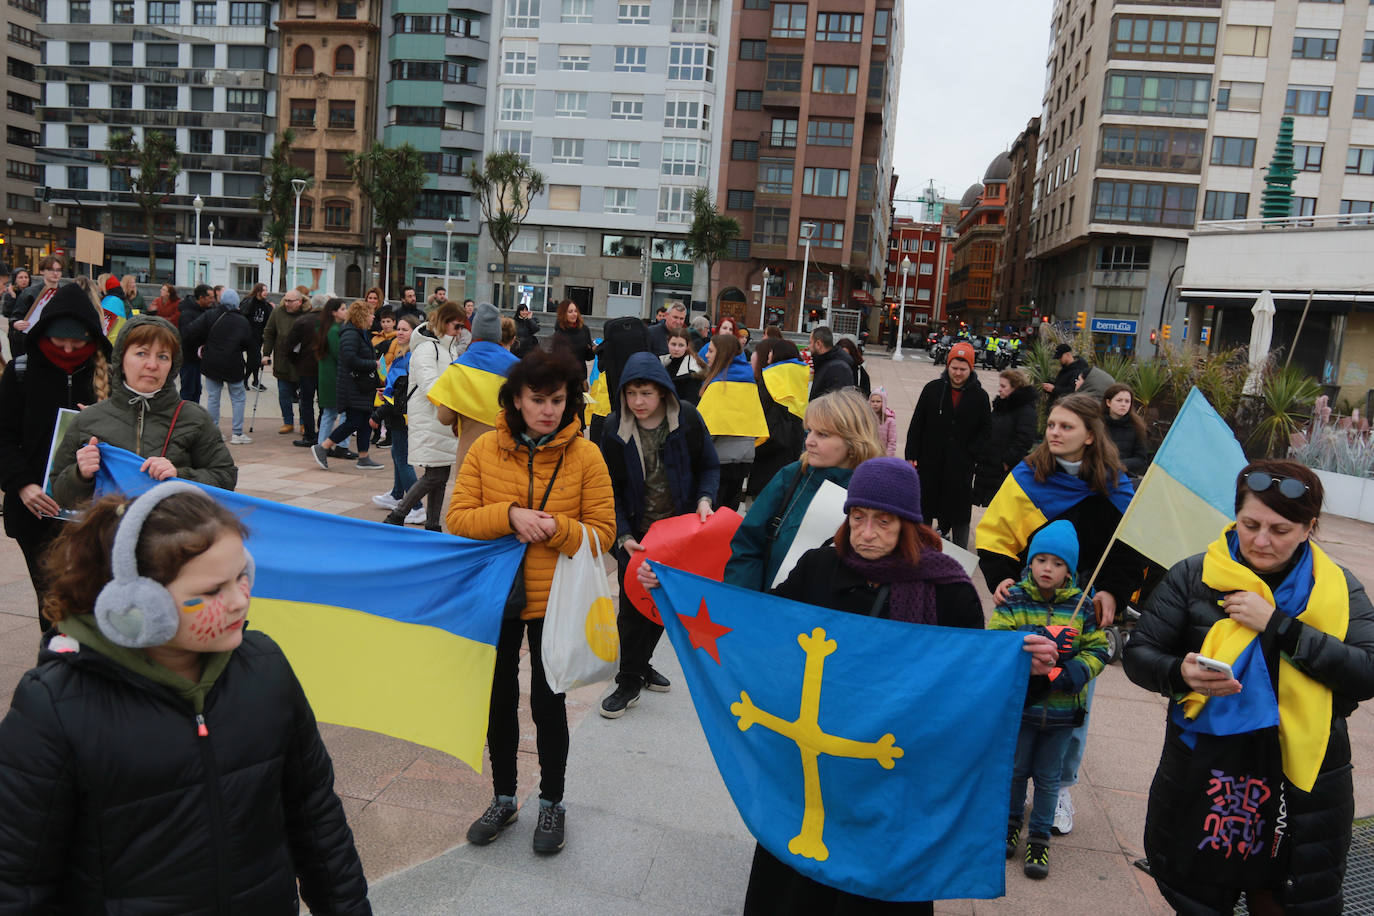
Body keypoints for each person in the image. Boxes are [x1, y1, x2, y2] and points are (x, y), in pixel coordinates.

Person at [0, 482, 372, 913]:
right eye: (213, 591)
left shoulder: (265, 666)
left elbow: (317, 818)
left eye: (242, 577)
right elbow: (16, 880)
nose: (238, 602)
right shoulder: (55, 707)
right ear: (138, 607)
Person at [733, 457, 986, 915]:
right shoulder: (817, 567)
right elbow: (765, 630)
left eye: (882, 521)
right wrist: (673, 588)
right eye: (857, 517)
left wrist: (1028, 669)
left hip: (892, 778)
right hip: (813, 773)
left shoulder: (948, 591)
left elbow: (974, 683)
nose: (866, 532)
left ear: (908, 523)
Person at [1124, 460, 1374, 915]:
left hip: (1300, 776)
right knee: (1199, 890)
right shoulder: (1193, 575)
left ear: (1308, 528)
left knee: (1284, 894)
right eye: (1250, 524)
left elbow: (1367, 670)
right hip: (1208, 765)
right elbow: (1140, 654)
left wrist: (1280, 626)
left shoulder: (1338, 589)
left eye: (1281, 529)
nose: (1261, 540)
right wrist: (1179, 673)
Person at [447, 348, 616, 856]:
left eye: (558, 400)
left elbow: (603, 534)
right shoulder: (484, 449)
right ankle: (503, 796)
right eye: (538, 400)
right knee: (497, 700)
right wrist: (510, 515)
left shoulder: (586, 455)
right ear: (516, 400)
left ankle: (552, 801)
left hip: (555, 601)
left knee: (549, 703)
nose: (548, 410)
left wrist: (559, 529)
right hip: (496, 595)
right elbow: (457, 520)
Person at [976, 393, 1140, 835]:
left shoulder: (1116, 484)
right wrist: (1000, 576)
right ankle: (1005, 789)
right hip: (1027, 604)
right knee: (1016, 696)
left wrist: (1112, 591)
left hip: (1079, 609)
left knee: (1072, 702)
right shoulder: (1027, 476)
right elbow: (995, 535)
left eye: (1066, 427)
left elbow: (1128, 550)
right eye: (1051, 425)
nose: (1054, 432)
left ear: (1090, 436)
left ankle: (1060, 787)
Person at [598, 352, 719, 719]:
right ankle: (628, 680)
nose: (639, 402)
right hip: (637, 536)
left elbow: (709, 466)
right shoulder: (613, 427)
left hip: (679, 536)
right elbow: (609, 488)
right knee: (632, 609)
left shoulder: (687, 418)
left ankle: (641, 664)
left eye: (646, 393)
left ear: (663, 392)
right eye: (632, 393)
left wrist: (704, 499)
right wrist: (621, 535)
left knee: (662, 607)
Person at [991, 520, 1108, 881]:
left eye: (1058, 564)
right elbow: (995, 638)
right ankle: (1010, 824)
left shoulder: (1082, 605)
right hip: (1022, 709)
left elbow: (1100, 648)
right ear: (1030, 563)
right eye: (1041, 560)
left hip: (1061, 713)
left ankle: (1039, 837)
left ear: (1069, 571)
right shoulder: (1015, 599)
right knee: (1015, 771)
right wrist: (1031, 644)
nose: (1047, 569)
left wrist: (1078, 670)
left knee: (1048, 778)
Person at [0, 284, 111, 633]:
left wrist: (103, 420)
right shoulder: (20, 372)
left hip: (91, 512)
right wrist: (22, 485)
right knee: (51, 604)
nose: (66, 350)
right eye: (58, 342)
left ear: (91, 337)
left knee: (90, 600)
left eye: (76, 343)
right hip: (35, 510)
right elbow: (3, 436)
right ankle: (54, 670)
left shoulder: (108, 373)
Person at [49, 314, 238, 506]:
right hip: (107, 533)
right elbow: (59, 493)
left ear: (172, 365)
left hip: (172, 533)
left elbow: (225, 478)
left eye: (163, 356)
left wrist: (179, 476)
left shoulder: (194, 418)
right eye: (141, 353)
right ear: (121, 358)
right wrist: (81, 475)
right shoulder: (88, 420)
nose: (152, 365)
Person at [724, 388, 881, 591]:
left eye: (822, 434)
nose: (809, 441)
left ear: (854, 441)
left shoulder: (879, 491)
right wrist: (747, 601)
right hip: (770, 609)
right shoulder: (792, 476)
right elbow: (747, 545)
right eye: (809, 431)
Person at [385, 302, 465, 529]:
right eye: (457, 326)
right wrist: (451, 407)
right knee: (435, 475)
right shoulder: (426, 348)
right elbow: (429, 385)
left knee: (440, 474)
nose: (460, 332)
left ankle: (432, 525)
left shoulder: (448, 348)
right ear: (444, 322)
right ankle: (397, 515)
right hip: (431, 417)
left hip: (441, 419)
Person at [904, 341, 991, 549]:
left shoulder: (980, 397)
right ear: (947, 366)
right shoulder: (932, 389)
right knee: (925, 506)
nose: (958, 373)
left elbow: (986, 431)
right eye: (954, 368)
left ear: (971, 368)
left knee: (959, 511)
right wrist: (911, 454)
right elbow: (917, 424)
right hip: (929, 461)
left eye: (963, 369)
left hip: (960, 466)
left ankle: (961, 550)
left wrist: (972, 453)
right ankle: (920, 546)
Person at [429, 303, 520, 471]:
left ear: (474, 332)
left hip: (470, 454)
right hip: (507, 453)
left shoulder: (458, 367)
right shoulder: (518, 368)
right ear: (497, 334)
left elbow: (444, 417)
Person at [312, 300, 385, 471]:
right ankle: (323, 447)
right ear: (362, 315)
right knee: (354, 421)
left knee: (365, 421)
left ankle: (364, 457)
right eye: (370, 313)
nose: (373, 316)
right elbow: (349, 358)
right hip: (353, 387)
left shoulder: (360, 332)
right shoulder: (351, 333)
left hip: (361, 386)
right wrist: (373, 364)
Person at [181, 288, 259, 445]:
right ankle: (237, 433)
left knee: (213, 397)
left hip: (211, 363)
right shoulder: (242, 321)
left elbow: (190, 331)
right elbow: (248, 344)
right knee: (238, 398)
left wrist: (204, 343)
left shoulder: (210, 315)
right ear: (236, 303)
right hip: (233, 364)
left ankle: (214, 431)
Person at [698, 333, 763, 512]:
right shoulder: (749, 382)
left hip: (718, 460)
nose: (707, 355)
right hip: (744, 458)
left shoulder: (718, 385)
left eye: (711, 351)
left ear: (722, 354)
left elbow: (704, 430)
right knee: (729, 514)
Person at [369, 314, 422, 522]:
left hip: (402, 415)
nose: (399, 332)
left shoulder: (411, 357)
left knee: (403, 458)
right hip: (398, 412)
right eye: (398, 329)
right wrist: (387, 392)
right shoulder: (402, 353)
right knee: (397, 454)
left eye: (405, 329)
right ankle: (397, 495)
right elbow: (396, 388)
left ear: (414, 333)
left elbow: (403, 393)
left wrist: (380, 411)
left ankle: (416, 507)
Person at [747, 338, 807, 500]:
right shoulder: (801, 376)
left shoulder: (770, 378)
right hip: (793, 442)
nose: (768, 356)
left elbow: (761, 413)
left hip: (768, 447)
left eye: (771, 352)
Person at [973, 367, 1038, 506]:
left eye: (1003, 386)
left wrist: (1007, 461)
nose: (999, 389)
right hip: (989, 465)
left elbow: (1024, 440)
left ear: (1016, 388)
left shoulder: (1026, 411)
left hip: (1003, 468)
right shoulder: (1002, 406)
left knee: (1001, 505)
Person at [315, 298, 357, 460]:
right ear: (333, 312)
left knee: (330, 413)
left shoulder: (329, 328)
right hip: (335, 377)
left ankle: (323, 445)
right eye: (342, 309)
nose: (345, 311)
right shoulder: (334, 331)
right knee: (340, 412)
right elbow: (341, 354)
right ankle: (339, 445)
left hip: (329, 376)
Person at [262, 288, 307, 436]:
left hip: (302, 362)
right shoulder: (277, 313)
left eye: (290, 301)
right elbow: (269, 333)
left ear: (299, 302)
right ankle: (287, 422)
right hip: (283, 361)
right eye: (285, 300)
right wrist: (266, 354)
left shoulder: (307, 313)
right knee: (284, 394)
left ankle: (304, 423)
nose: (287, 303)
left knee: (304, 395)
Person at [284, 295, 322, 448]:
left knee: (306, 402)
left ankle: (309, 434)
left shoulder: (302, 321)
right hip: (324, 367)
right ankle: (322, 432)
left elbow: (290, 345)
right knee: (324, 403)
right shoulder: (331, 322)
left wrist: (295, 361)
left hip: (306, 367)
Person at [11, 257, 64, 356]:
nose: (55, 273)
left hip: (55, 342)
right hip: (31, 341)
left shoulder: (64, 294)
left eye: (58, 270)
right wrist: (16, 323)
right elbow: (15, 317)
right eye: (51, 269)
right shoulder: (29, 293)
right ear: (42, 271)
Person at [176, 284, 216, 403]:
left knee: (197, 390)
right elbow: (186, 336)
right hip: (189, 358)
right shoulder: (187, 314)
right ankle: (185, 417)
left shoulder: (208, 311)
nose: (212, 300)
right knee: (188, 390)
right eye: (210, 297)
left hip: (200, 359)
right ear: (201, 297)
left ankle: (194, 415)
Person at [1103, 383, 1149, 478]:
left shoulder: (1138, 427)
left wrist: (1119, 465)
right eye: (1119, 400)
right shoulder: (1096, 424)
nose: (1123, 404)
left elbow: (1141, 459)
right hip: (1097, 475)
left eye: (1127, 401)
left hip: (1125, 477)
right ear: (1108, 402)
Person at [660, 326, 706, 405]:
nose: (676, 349)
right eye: (673, 344)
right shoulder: (662, 362)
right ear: (667, 343)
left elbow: (691, 403)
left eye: (681, 345)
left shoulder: (692, 370)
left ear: (687, 346)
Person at [808, 325, 854, 401]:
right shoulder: (824, 363)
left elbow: (838, 403)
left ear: (818, 344)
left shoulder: (838, 368)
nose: (809, 347)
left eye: (810, 342)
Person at [241, 282, 273, 391]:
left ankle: (254, 381)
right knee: (255, 359)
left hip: (259, 336)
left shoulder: (266, 305)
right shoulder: (249, 302)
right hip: (249, 336)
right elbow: (243, 315)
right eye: (264, 290)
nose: (266, 292)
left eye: (266, 290)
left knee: (254, 359)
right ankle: (247, 380)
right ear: (258, 291)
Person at [550, 299, 594, 376]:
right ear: (563, 314)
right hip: (564, 378)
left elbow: (589, 357)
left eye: (575, 311)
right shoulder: (559, 334)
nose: (574, 314)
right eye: (570, 312)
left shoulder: (584, 330)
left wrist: (591, 349)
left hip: (580, 376)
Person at [869, 386, 897, 457]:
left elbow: (892, 442)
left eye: (878, 401)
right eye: (873, 401)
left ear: (883, 402)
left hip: (883, 455)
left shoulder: (890, 420)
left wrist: (887, 457)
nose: (875, 404)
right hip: (869, 454)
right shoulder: (867, 418)